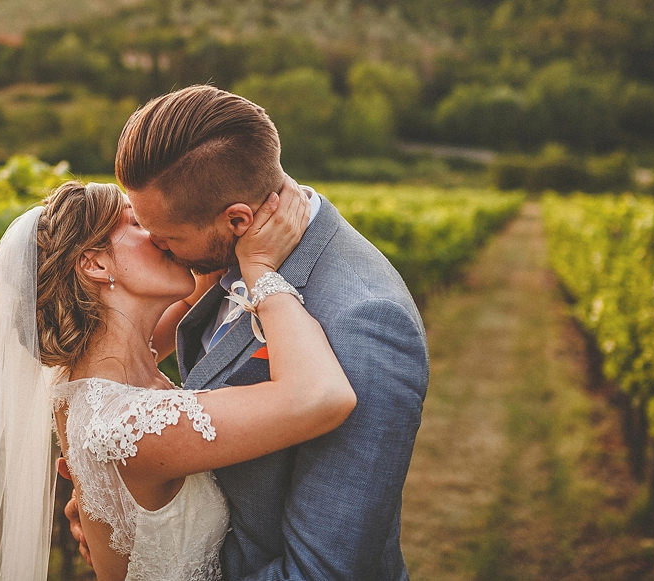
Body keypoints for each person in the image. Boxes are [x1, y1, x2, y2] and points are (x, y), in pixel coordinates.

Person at [66, 84, 430, 580]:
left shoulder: (364, 320)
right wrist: (124, 523)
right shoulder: (225, 258)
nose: (159, 248)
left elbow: (324, 570)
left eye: (166, 238)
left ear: (237, 219)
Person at [0, 179, 356, 581]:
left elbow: (197, 283)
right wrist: (262, 272)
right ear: (94, 263)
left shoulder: (97, 374)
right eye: (137, 222)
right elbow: (322, 397)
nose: (158, 234)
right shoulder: (126, 425)